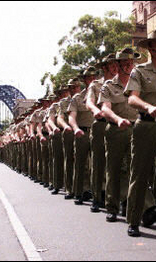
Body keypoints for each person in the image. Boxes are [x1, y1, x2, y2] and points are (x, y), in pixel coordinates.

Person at [124, 28, 156, 237]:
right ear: (151, 49)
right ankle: (134, 220)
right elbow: (132, 98)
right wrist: (147, 107)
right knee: (140, 174)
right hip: (145, 126)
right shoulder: (140, 71)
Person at [98, 47, 140, 223]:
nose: (128, 65)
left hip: (136, 128)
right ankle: (112, 207)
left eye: (131, 62)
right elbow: (105, 108)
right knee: (114, 169)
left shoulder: (138, 83)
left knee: (134, 170)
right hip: (116, 129)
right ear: (118, 65)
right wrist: (117, 119)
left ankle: (130, 204)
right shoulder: (108, 86)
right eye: (124, 62)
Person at [86, 54, 118, 212]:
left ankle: (116, 196)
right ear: (104, 68)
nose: (115, 67)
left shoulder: (122, 82)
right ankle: (97, 197)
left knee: (118, 164)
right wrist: (95, 110)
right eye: (112, 65)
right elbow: (89, 102)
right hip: (101, 124)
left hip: (117, 124)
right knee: (98, 162)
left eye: (116, 64)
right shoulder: (95, 85)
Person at [68, 67, 96, 205]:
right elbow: (71, 117)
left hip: (97, 131)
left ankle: (98, 193)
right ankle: (80, 192)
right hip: (82, 132)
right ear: (84, 81)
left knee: (97, 164)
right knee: (81, 164)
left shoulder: (103, 93)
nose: (91, 80)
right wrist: (76, 129)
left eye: (93, 77)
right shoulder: (77, 98)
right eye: (88, 78)